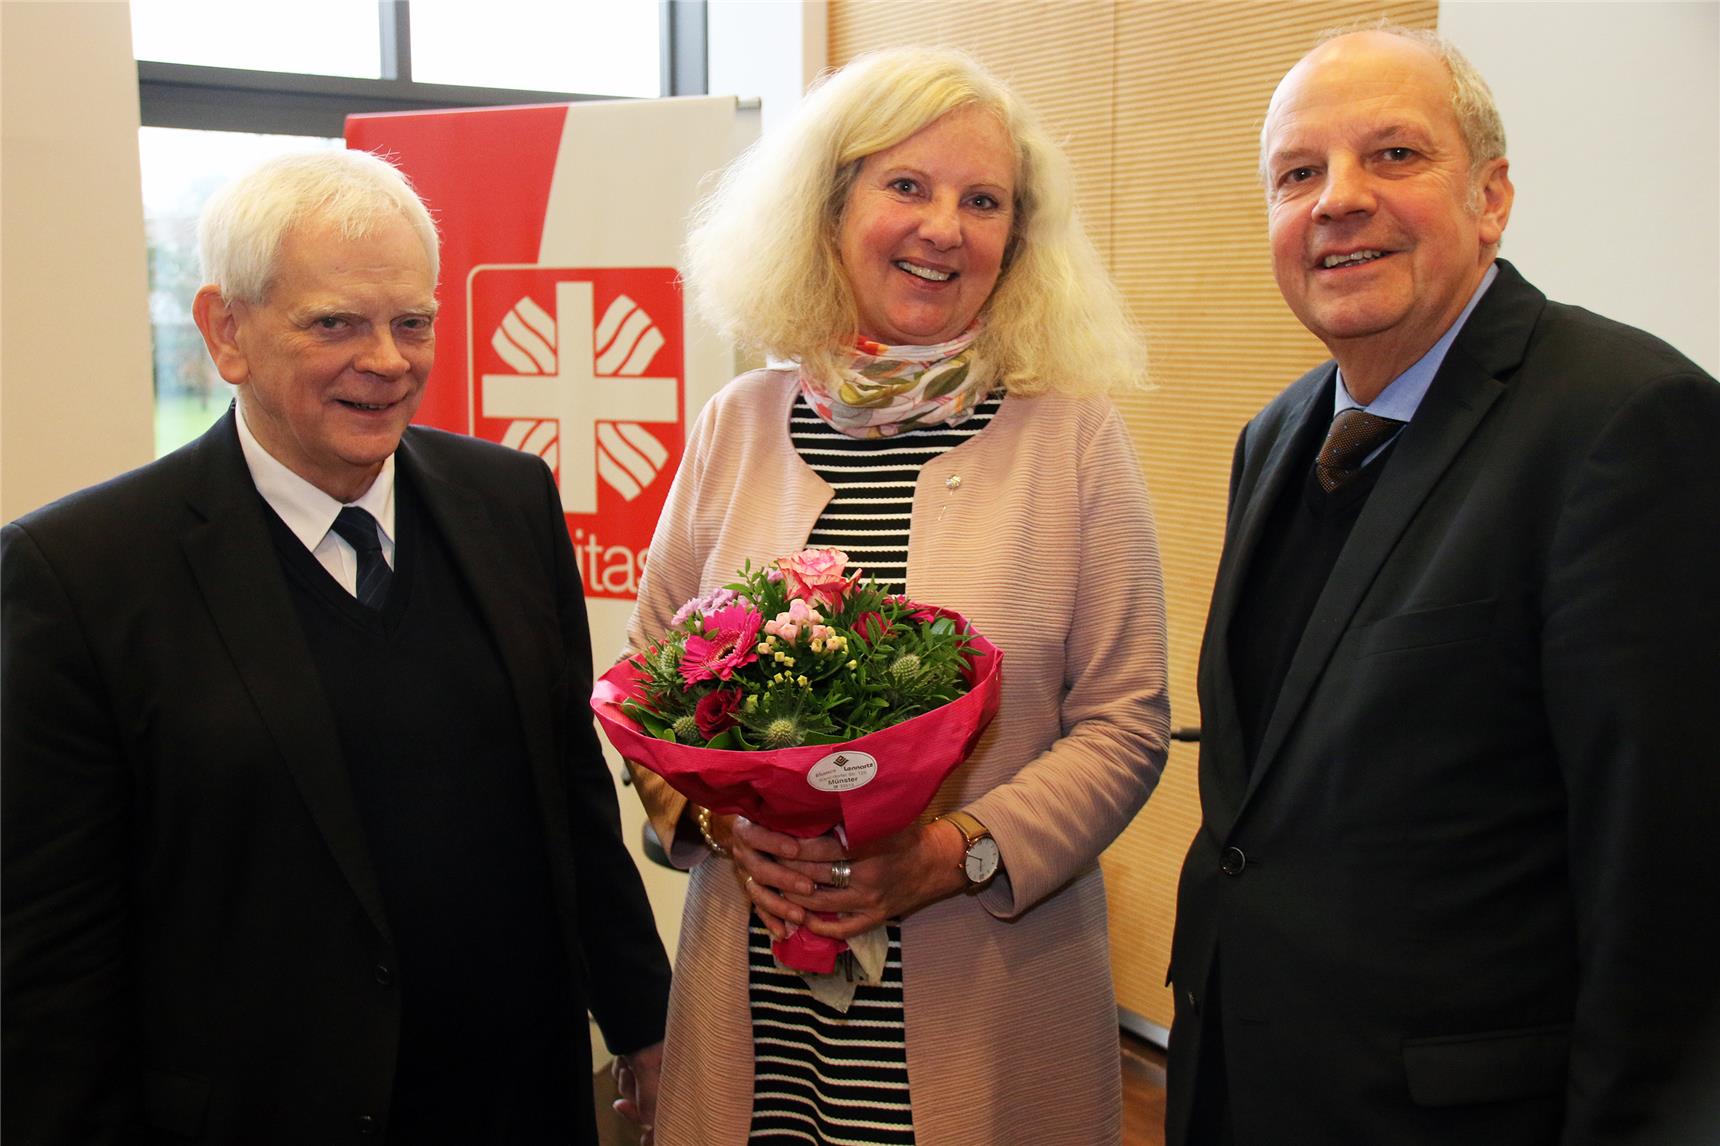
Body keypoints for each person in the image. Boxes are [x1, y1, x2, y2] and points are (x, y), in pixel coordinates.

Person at [1, 150, 671, 1145]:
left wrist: (646, 1024)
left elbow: (571, 797)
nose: (390, 360)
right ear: (226, 331)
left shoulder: (511, 500)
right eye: (335, 324)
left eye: (413, 322)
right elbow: (48, 949)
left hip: (516, 1101)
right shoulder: (78, 571)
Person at [1167, 25, 1720, 1145]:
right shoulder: (1274, 437)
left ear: (1491, 196)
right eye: (1297, 174)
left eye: (1394, 156)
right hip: (1246, 1086)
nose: (1337, 201)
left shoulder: (1623, 418)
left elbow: (1665, 878)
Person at [620, 46, 1170, 1145]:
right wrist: (727, 831)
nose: (944, 228)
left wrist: (950, 852)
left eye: (983, 201)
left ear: (1017, 240)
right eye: (906, 186)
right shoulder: (739, 421)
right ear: (831, 207)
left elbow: (1125, 723)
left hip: (991, 995)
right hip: (759, 1002)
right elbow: (645, 690)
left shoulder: (1072, 437)